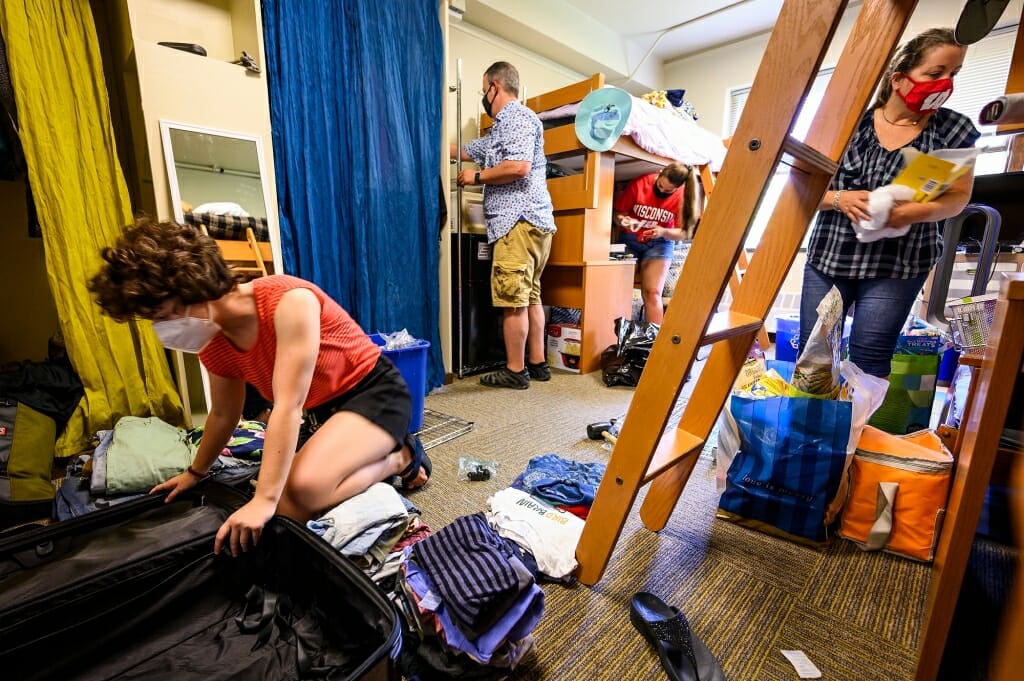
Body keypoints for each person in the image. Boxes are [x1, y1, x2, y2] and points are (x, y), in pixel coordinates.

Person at [88, 219, 431, 557]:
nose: (161, 329)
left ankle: (400, 456)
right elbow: (224, 413)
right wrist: (196, 472)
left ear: (190, 286)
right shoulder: (213, 343)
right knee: (289, 508)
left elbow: (287, 407)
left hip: (374, 393)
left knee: (298, 493)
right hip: (324, 411)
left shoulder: (289, 301)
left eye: (162, 315)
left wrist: (263, 500)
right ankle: (370, 457)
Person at [799, 28, 979, 378]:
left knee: (870, 359)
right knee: (814, 355)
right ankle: (812, 429)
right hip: (832, 256)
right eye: (935, 73)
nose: (945, 83)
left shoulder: (954, 129)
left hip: (900, 263)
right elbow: (801, 192)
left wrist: (913, 212)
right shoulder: (849, 123)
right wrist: (839, 198)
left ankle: (855, 431)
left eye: (953, 74)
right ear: (899, 78)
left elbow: (958, 197)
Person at [451, 61, 557, 390]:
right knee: (530, 297)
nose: (484, 95)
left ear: (495, 86)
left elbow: (519, 166)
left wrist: (477, 177)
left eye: (484, 89)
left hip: (519, 222)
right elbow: (465, 150)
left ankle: (515, 370)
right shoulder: (500, 129)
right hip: (533, 224)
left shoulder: (517, 117)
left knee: (512, 299)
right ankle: (537, 363)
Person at [613, 163, 700, 324]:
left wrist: (663, 231)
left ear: (678, 187)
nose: (661, 191)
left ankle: (652, 341)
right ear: (660, 173)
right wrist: (624, 220)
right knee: (618, 291)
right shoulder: (641, 183)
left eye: (668, 191)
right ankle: (614, 335)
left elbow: (683, 232)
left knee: (652, 293)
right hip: (630, 239)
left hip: (660, 242)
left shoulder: (684, 196)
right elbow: (618, 215)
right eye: (660, 186)